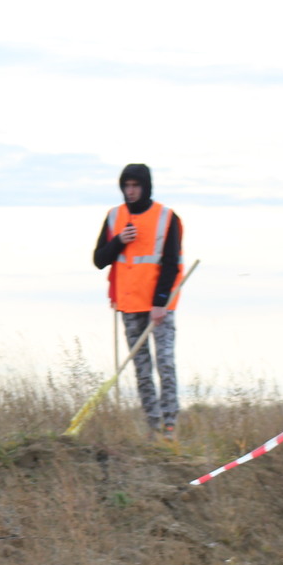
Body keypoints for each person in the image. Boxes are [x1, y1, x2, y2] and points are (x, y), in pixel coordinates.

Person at [93, 163, 184, 437]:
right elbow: (99, 260)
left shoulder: (167, 218)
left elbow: (171, 263)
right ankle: (153, 426)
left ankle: (170, 424)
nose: (130, 191)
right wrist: (119, 240)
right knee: (142, 369)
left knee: (165, 363)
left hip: (159, 306)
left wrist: (160, 303)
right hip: (129, 305)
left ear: (146, 187)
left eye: (135, 186)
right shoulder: (113, 217)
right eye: (126, 186)